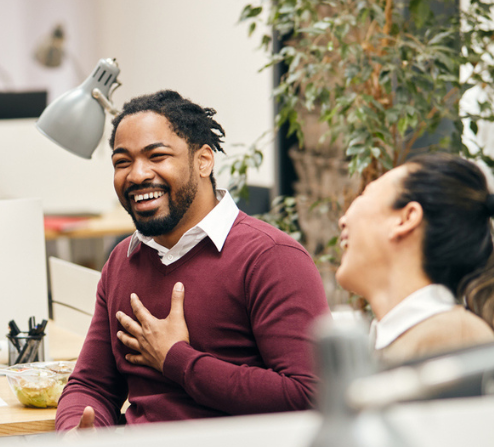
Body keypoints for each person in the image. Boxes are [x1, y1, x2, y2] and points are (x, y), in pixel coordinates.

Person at [54, 91, 330, 431]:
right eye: (122, 162)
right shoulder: (123, 261)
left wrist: (176, 359)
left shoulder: (271, 257)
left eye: (157, 155)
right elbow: (91, 385)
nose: (137, 174)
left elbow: (311, 395)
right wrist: (76, 432)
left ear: (203, 161)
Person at [336, 153, 494, 365]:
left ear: (406, 219)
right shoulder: (411, 337)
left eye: (365, 193)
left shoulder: (453, 336)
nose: (343, 219)